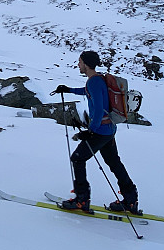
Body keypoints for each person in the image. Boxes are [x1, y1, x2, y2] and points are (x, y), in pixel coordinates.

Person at [52, 50, 139, 214]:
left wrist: (90, 131)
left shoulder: (94, 82)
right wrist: (69, 90)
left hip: (100, 131)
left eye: (79, 62)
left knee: (77, 159)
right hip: (109, 129)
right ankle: (131, 200)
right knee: (114, 163)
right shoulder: (98, 79)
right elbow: (88, 92)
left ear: (85, 63)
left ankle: (81, 199)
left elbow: (98, 109)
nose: (78, 65)